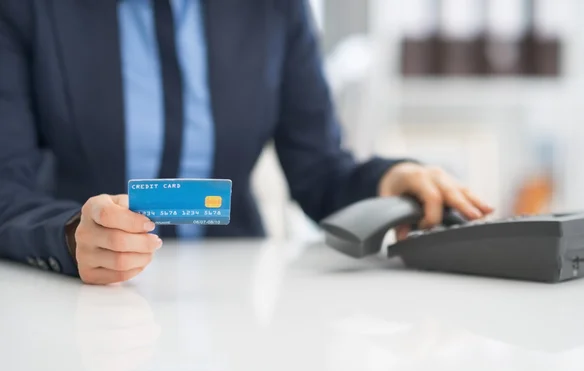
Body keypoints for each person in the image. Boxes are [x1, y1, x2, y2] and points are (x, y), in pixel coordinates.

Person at [0, 0, 493, 285]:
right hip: (78, 301)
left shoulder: (275, 9)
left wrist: (389, 179)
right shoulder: (27, 10)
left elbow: (320, 172)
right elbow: (7, 186)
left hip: (236, 291)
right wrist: (69, 236)